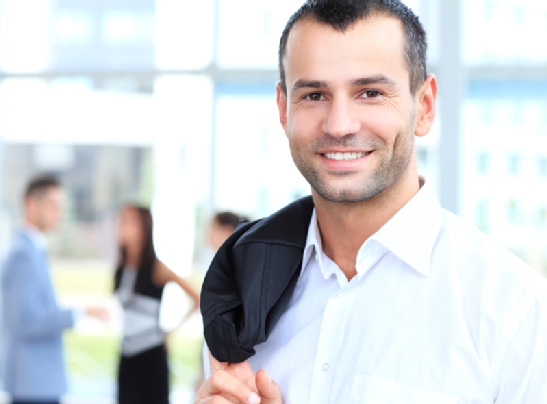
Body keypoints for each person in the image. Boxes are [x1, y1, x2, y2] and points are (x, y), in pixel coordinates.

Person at [196, 1, 547, 403]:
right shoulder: (242, 288)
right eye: (314, 95)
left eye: (370, 93)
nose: (340, 125)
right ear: (283, 109)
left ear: (425, 107)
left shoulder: (515, 313)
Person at [0, 174, 107, 404]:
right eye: (53, 206)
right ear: (30, 204)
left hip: (37, 382)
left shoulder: (33, 250)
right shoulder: (23, 254)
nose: (59, 213)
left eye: (61, 207)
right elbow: (26, 320)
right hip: (33, 384)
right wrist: (80, 311)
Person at [115, 203, 200, 404]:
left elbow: (197, 298)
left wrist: (169, 332)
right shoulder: (121, 268)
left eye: (129, 221)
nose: (121, 226)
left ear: (144, 228)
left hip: (150, 356)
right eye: (121, 221)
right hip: (127, 355)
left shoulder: (157, 268)